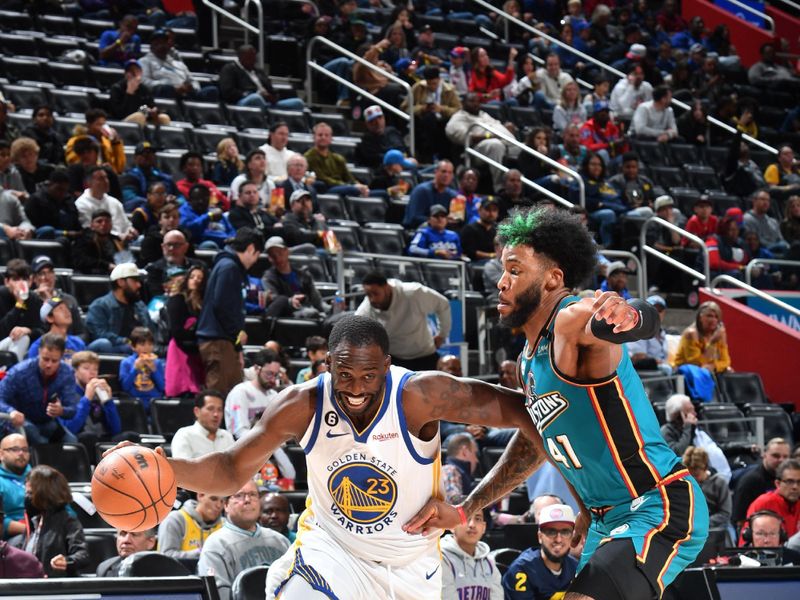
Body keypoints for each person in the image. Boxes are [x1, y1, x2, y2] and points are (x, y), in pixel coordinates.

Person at [102, 314, 539, 599]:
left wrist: (467, 510)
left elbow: (537, 417)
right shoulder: (302, 402)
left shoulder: (423, 394)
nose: (354, 388)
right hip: (332, 554)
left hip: (414, 567)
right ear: (326, 363)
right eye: (344, 374)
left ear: (387, 366)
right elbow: (231, 468)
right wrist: (164, 468)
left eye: (369, 376)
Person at [405, 207, 710, 600]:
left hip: (657, 503)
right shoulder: (528, 359)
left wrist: (630, 314)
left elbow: (619, 320)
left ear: (553, 278)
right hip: (605, 519)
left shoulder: (571, 320)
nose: (502, 282)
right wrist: (467, 508)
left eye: (515, 270)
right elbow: (537, 440)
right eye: (503, 270)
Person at [198, 479, 290, 600]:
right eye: (239, 496)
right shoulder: (216, 545)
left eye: (252, 495)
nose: (247, 500)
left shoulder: (281, 541)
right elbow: (218, 596)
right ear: (225, 505)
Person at [197, 228, 263, 395]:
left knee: (232, 395)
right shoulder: (229, 267)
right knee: (219, 397)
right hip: (218, 341)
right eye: (257, 254)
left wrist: (237, 346)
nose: (255, 261)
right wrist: (237, 334)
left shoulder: (229, 266)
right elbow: (222, 305)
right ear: (250, 249)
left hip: (224, 341)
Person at [356, 271, 451, 371]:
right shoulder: (367, 308)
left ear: (387, 287)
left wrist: (442, 335)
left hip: (425, 356)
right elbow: (355, 329)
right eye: (368, 294)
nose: (372, 299)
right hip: (394, 360)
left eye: (375, 293)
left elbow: (443, 304)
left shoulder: (414, 293)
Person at [0, 334, 79, 445]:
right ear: (39, 352)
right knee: (39, 440)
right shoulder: (20, 372)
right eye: (45, 359)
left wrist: (61, 410)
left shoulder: (67, 373)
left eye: (54, 361)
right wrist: (11, 411)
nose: (49, 365)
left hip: (46, 422)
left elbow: (72, 410)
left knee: (72, 442)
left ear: (61, 357)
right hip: (21, 420)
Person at [21, 465, 89, 577]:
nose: (27, 498)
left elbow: (82, 555)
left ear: (45, 494)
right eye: (27, 493)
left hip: (57, 588)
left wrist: (66, 561)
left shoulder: (68, 521)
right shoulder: (33, 523)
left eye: (31, 494)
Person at [502, 504, 579, 600]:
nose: (558, 539)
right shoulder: (522, 570)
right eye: (551, 532)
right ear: (540, 536)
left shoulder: (576, 568)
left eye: (565, 532)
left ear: (572, 536)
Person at [445, 93, 516, 192]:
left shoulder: (483, 114)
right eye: (472, 101)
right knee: (495, 145)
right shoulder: (458, 118)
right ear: (463, 103)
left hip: (506, 142)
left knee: (524, 149)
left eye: (478, 101)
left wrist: (506, 128)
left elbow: (496, 125)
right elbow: (464, 137)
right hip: (476, 151)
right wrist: (489, 136)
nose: (476, 104)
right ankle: (499, 187)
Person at [86, 263, 153, 355]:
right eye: (134, 281)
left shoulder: (140, 305)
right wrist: (127, 342)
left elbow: (151, 331)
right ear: (120, 282)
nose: (139, 285)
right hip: (114, 349)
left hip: (139, 350)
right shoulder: (99, 306)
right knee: (103, 344)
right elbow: (99, 334)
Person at [441, 500, 502, 600]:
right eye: (466, 518)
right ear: (452, 525)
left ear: (484, 527)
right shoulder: (441, 558)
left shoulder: (489, 562)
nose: (472, 524)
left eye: (477, 519)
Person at [662, 394, 731, 482]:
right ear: (679, 415)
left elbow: (717, 447)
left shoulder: (697, 429)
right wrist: (687, 427)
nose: (695, 413)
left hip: (712, 471)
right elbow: (678, 453)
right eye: (690, 410)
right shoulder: (667, 431)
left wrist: (744, 449)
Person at [219, 45, 304, 112]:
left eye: (254, 57)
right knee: (256, 98)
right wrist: (250, 94)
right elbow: (228, 92)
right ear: (241, 57)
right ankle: (265, 121)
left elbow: (270, 90)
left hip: (267, 103)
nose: (253, 60)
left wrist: (273, 97)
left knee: (298, 103)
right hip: (242, 101)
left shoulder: (259, 71)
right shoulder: (230, 69)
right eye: (250, 58)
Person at [261, 236, 328, 319]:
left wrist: (331, 309)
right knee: (310, 313)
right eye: (273, 255)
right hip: (288, 317)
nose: (277, 258)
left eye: (279, 253)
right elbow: (275, 301)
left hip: (311, 312)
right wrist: (289, 302)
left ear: (287, 251)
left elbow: (317, 301)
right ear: (269, 258)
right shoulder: (268, 278)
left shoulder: (303, 274)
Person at [139, 29, 217, 100]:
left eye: (164, 42)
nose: (162, 45)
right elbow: (144, 82)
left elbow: (193, 81)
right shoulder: (145, 61)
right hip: (165, 95)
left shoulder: (178, 64)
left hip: (188, 95)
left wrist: (191, 87)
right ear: (151, 46)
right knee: (167, 89)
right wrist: (173, 87)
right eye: (158, 43)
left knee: (212, 90)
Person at [404, 68, 461, 164]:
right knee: (429, 119)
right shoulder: (418, 88)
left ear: (439, 79)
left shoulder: (449, 90)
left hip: (443, 123)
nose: (431, 86)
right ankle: (426, 157)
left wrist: (442, 109)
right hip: (423, 123)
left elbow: (458, 110)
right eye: (429, 83)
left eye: (434, 83)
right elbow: (405, 108)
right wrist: (422, 108)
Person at [165, 265, 206, 398]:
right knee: (183, 388)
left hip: (197, 350)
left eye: (200, 278)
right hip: (180, 348)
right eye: (192, 277)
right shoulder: (177, 300)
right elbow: (176, 331)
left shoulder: (205, 303)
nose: (195, 280)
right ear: (187, 279)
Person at [733, 439, 792, 527]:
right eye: (776, 456)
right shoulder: (750, 481)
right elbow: (741, 521)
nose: (781, 460)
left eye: (785, 457)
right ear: (764, 455)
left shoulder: (794, 479)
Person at [225, 349, 282, 439]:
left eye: (276, 375)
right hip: (243, 447)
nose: (273, 380)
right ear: (256, 369)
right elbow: (239, 431)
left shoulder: (274, 395)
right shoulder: (240, 392)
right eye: (269, 374)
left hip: (269, 447)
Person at [304, 123, 369, 197]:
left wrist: (359, 185)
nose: (323, 137)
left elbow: (349, 177)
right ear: (314, 137)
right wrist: (349, 185)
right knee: (353, 190)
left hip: (342, 186)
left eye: (326, 135)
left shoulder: (338, 158)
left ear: (331, 138)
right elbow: (323, 179)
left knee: (378, 193)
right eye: (320, 135)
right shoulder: (309, 157)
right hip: (326, 189)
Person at [0, 259, 44, 362]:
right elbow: (1, 332)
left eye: (24, 279)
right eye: (16, 279)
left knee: (24, 338)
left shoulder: (34, 299)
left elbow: (42, 330)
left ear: (30, 281)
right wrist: (19, 304)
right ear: (7, 282)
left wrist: (28, 331)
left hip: (26, 349)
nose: (21, 283)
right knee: (22, 339)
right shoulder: (1, 296)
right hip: (2, 345)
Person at [75, 167, 136, 240]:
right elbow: (90, 230)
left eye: (106, 178)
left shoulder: (114, 202)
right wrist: (118, 237)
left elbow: (126, 225)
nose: (106, 181)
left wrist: (131, 230)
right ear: (89, 183)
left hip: (125, 240)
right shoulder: (81, 204)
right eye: (101, 179)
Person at [157, 492, 224, 559]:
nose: (219, 505)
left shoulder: (224, 525)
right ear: (200, 495)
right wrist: (203, 553)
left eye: (222, 501)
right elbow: (166, 556)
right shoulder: (176, 519)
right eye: (213, 499)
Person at [171, 390, 235, 460]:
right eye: (210, 409)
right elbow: (182, 468)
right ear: (197, 411)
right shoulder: (184, 435)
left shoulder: (227, 436)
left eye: (219, 410)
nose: (216, 414)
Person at [745, 459, 800, 539]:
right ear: (777, 483)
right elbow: (747, 542)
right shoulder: (763, 503)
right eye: (789, 482)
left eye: (799, 482)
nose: (795, 487)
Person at [672, 301, 731, 375]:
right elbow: (696, 364)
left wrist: (714, 366)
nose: (713, 320)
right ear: (700, 317)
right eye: (709, 316)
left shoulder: (720, 335)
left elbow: (726, 361)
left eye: (716, 317)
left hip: (708, 372)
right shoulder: (691, 334)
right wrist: (712, 343)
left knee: (729, 371)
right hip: (686, 374)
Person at [23, 170, 82, 242]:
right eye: (59, 189)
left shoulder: (68, 199)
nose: (62, 193)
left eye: (65, 190)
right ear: (50, 184)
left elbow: (76, 222)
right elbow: (38, 229)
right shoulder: (36, 200)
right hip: (46, 238)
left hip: (72, 236)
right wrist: (65, 233)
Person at [682, 446, 732, 531]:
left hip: (716, 528)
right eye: (690, 475)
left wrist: (701, 523)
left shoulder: (719, 483)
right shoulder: (685, 484)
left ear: (705, 468)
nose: (694, 479)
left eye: (696, 475)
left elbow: (725, 513)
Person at [109, 59, 170, 127]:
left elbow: (151, 106)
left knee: (164, 117)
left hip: (144, 119)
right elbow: (120, 114)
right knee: (139, 116)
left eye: (136, 70)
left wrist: (154, 111)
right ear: (125, 73)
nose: (134, 73)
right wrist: (129, 93)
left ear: (141, 73)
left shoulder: (144, 89)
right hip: (122, 122)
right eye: (131, 71)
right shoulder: (117, 88)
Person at [65, 109, 126, 175]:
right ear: (89, 125)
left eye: (104, 125)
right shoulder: (75, 141)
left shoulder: (107, 142)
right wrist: (100, 168)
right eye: (98, 124)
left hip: (107, 177)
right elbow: (75, 164)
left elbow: (119, 168)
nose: (102, 128)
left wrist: (116, 143)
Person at [119, 327, 165, 413]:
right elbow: (125, 387)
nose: (147, 348)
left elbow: (162, 387)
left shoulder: (157, 362)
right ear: (133, 346)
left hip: (154, 403)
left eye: (150, 344)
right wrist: (135, 369)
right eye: (142, 345)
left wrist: (154, 370)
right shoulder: (126, 363)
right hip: (135, 404)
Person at [403, 160, 458, 228]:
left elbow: (456, 220)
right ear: (436, 172)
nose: (446, 175)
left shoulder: (453, 196)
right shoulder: (421, 191)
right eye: (443, 171)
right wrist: (439, 221)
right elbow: (414, 218)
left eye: (450, 172)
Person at [122, 144, 175, 213]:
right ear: (135, 158)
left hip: (167, 213)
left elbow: (181, 198)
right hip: (143, 214)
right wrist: (159, 201)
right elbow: (131, 201)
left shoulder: (165, 178)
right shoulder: (128, 177)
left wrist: (175, 200)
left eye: (151, 153)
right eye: (144, 154)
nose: (148, 156)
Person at [179, 183, 236, 249]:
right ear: (190, 200)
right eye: (197, 198)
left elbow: (231, 229)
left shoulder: (214, 211)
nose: (201, 201)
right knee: (210, 245)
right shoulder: (184, 211)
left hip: (226, 244)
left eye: (204, 198)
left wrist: (232, 238)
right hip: (202, 245)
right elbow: (188, 230)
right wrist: (208, 217)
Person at [354, 105, 410, 170]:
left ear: (384, 118)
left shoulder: (393, 132)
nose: (377, 123)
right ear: (367, 124)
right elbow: (377, 159)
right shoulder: (366, 142)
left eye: (380, 118)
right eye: (372, 121)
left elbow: (405, 152)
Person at [72, 208, 127, 275]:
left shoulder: (116, 240)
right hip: (90, 275)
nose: (104, 224)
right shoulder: (83, 239)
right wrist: (107, 265)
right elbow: (80, 261)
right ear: (92, 225)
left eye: (107, 221)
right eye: (99, 221)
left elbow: (126, 258)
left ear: (111, 224)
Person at [627, 295, 671, 375]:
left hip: (660, 373)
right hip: (644, 374)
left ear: (664, 313)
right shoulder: (638, 330)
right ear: (645, 311)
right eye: (653, 309)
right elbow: (638, 357)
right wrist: (658, 363)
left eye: (660, 310)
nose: (657, 313)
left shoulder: (662, 333)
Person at [0, 433, 30, 540]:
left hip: (44, 530)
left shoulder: (40, 477)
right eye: (15, 449)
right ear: (1, 454)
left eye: (25, 449)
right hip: (11, 537)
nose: (21, 453)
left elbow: (64, 509)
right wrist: (30, 529)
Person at [743, 189, 789, 254]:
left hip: (779, 251)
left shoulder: (773, 221)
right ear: (754, 201)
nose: (766, 202)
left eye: (768, 200)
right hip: (762, 252)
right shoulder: (747, 219)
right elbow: (753, 241)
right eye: (762, 199)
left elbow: (781, 239)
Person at [441, 433, 480, 503]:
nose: (477, 460)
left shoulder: (456, 472)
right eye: (475, 453)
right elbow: (454, 500)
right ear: (465, 451)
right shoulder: (450, 470)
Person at [460, 197, 499, 263]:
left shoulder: (499, 229)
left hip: (496, 265)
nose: (491, 213)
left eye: (494, 210)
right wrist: (492, 255)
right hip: (474, 265)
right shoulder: (469, 229)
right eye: (487, 209)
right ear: (479, 210)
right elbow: (470, 252)